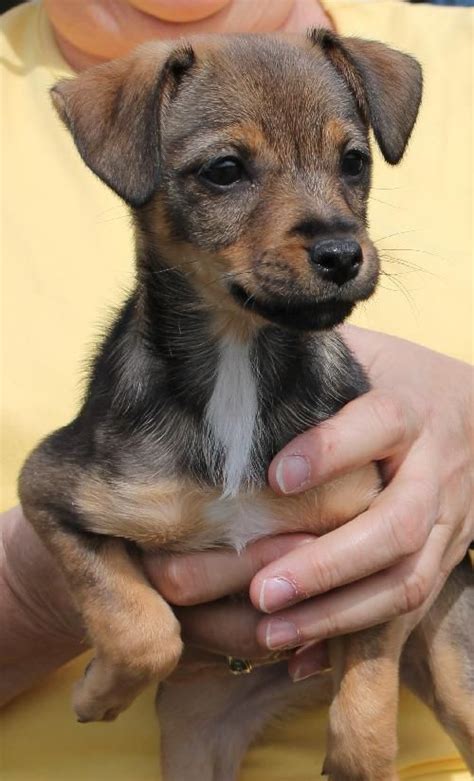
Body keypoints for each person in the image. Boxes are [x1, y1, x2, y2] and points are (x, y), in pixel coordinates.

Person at [1, 1, 472, 779]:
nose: (330, 228)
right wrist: (36, 593)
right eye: (228, 172)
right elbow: (56, 491)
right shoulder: (136, 100)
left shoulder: (446, 56)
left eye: (350, 163)